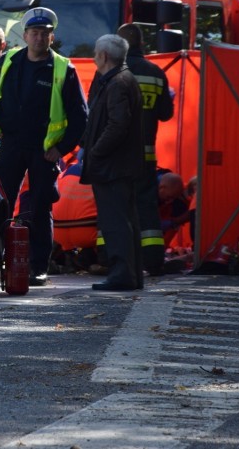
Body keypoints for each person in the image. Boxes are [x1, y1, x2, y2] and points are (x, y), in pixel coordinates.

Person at [0, 7, 88, 286]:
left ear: (51, 37)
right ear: (25, 35)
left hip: (44, 150)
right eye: (35, 33)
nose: (39, 38)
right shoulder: (9, 61)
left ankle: (38, 266)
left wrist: (62, 148)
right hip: (12, 145)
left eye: (45, 34)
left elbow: (80, 117)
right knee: (1, 206)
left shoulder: (64, 68)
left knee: (40, 207)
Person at [80, 34, 144, 291]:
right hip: (119, 165)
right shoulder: (119, 80)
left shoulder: (116, 83)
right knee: (125, 220)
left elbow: (117, 125)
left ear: (104, 56)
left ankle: (122, 274)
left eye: (96, 52)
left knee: (115, 221)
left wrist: (95, 151)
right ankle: (130, 274)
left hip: (112, 166)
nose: (94, 57)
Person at [116, 23, 174, 275]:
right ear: (142, 44)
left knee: (115, 205)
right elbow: (165, 114)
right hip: (145, 155)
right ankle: (152, 259)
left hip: (116, 155)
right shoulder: (156, 72)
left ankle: (111, 258)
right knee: (147, 205)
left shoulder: (111, 70)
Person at [158, 172, 190, 247]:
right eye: (169, 197)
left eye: (173, 198)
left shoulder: (181, 201)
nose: (170, 201)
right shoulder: (145, 193)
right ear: (162, 187)